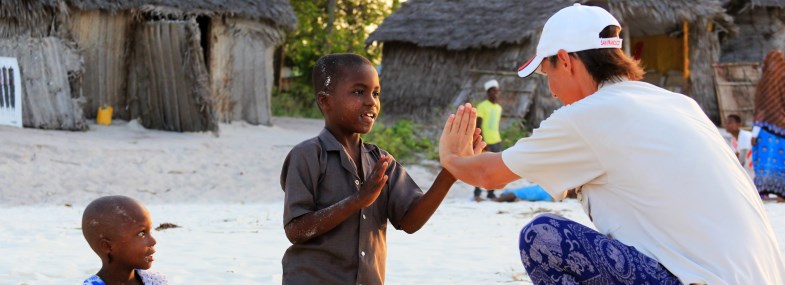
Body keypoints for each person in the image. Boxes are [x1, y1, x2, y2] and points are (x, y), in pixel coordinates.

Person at [438, 4, 785, 284]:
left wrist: (451, 157)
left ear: (566, 60)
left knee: (542, 237)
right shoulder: (678, 104)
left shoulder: (588, 116)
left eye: (547, 73)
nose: (552, 90)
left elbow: (489, 175)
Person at [280, 53, 480, 285]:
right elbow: (296, 230)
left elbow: (410, 222)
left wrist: (450, 173)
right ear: (326, 101)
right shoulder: (307, 156)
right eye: (358, 92)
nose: (371, 102)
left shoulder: (381, 161)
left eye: (376, 93)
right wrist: (356, 201)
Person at [82, 195, 167, 285]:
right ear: (108, 246)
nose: (153, 241)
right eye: (141, 233)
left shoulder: (156, 280)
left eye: (150, 231)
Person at [752, 49, 785, 200]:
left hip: (764, 128)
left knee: (764, 159)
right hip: (782, 127)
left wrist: (755, 131)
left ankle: (763, 191)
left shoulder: (764, 83)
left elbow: (760, 108)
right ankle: (782, 192)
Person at [473, 79, 503, 201]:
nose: (496, 93)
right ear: (488, 92)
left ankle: (491, 193)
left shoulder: (498, 108)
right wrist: (482, 142)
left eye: (497, 91)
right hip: (485, 142)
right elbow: (478, 125)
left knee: (495, 169)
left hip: (497, 141)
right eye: (493, 91)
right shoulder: (482, 106)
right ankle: (477, 193)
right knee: (481, 168)